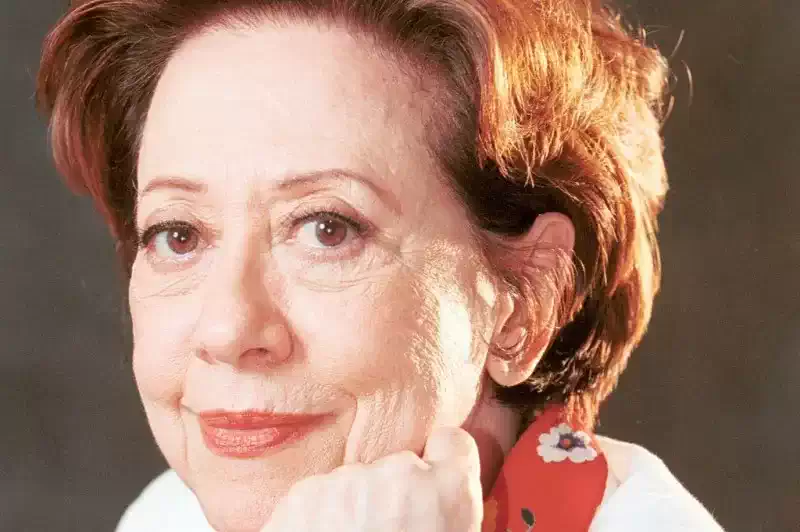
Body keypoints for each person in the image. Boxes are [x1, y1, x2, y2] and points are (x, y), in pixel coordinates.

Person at [37, 0, 724, 530]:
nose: (226, 329)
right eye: (179, 234)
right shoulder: (167, 517)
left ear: (527, 296)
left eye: (327, 229)